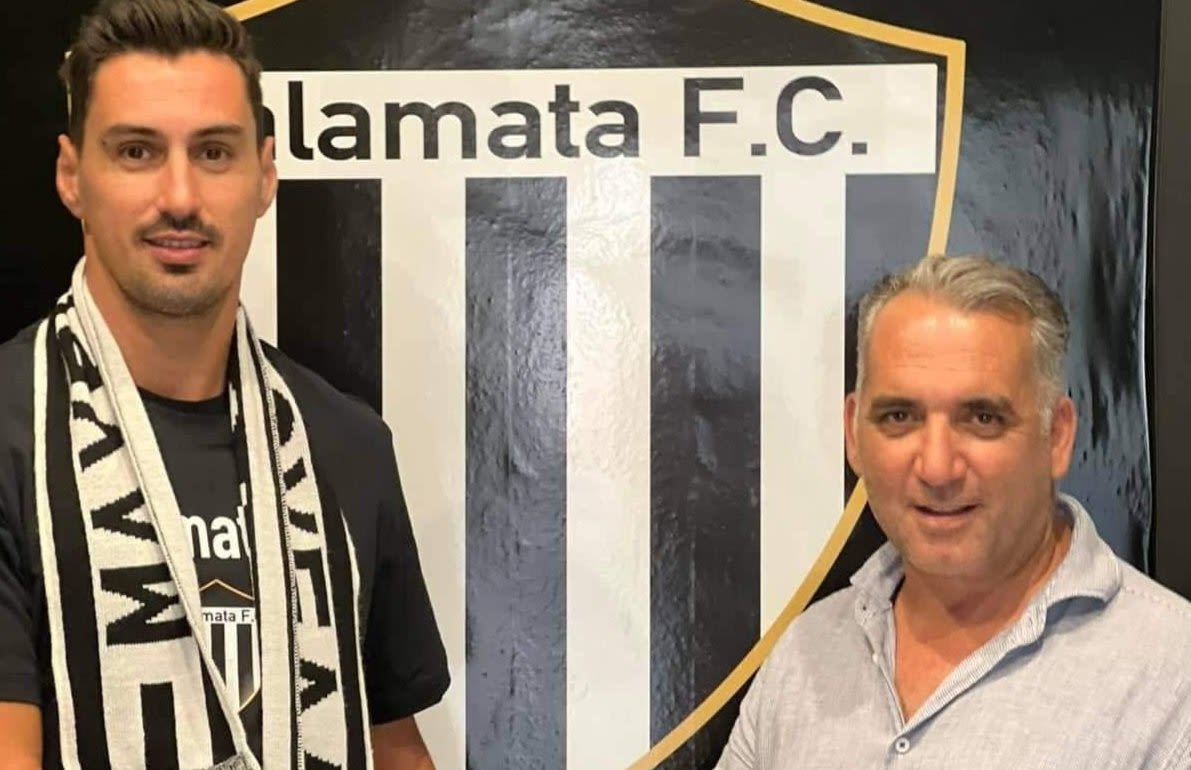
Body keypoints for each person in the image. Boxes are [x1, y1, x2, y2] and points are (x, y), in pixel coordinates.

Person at [0, 1, 449, 768]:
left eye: (213, 152)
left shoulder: (347, 444)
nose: (179, 197)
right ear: (72, 177)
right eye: (136, 152)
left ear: (263, 174)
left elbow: (392, 746)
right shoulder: (9, 432)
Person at [716, 255, 1191, 769]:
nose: (938, 468)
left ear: (1056, 436)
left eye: (982, 418)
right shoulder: (804, 659)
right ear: (853, 433)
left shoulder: (1173, 681)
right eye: (899, 416)